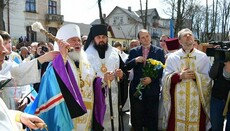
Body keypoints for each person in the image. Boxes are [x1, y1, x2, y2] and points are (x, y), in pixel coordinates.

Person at [162, 28, 212, 130]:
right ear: (180, 41)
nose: (188, 36)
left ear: (194, 39)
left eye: (190, 34)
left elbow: (208, 80)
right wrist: (179, 76)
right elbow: (165, 78)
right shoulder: (173, 57)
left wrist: (196, 76)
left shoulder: (203, 57)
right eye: (185, 35)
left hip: (197, 100)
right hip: (177, 102)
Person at [0, 35, 51, 131]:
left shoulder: (11, 64)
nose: (5, 50)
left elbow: (22, 77)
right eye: (2, 44)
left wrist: (20, 115)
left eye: (9, 42)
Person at [84, 24, 128, 131]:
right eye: (98, 37)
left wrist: (121, 75)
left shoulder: (114, 53)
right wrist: (102, 80)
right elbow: (84, 80)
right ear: (94, 39)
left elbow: (124, 72)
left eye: (104, 37)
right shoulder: (86, 55)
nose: (102, 40)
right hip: (96, 99)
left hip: (114, 97)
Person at [126, 29, 165, 131]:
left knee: (152, 118)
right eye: (143, 37)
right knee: (138, 117)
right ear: (139, 40)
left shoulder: (159, 51)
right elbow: (126, 66)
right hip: (137, 90)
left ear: (150, 37)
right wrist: (135, 60)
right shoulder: (134, 51)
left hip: (152, 90)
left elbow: (162, 69)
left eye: (147, 36)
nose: (146, 39)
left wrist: (151, 79)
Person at [209, 51, 230, 130]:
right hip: (217, 97)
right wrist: (217, 59)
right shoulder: (224, 53)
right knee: (216, 127)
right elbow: (212, 75)